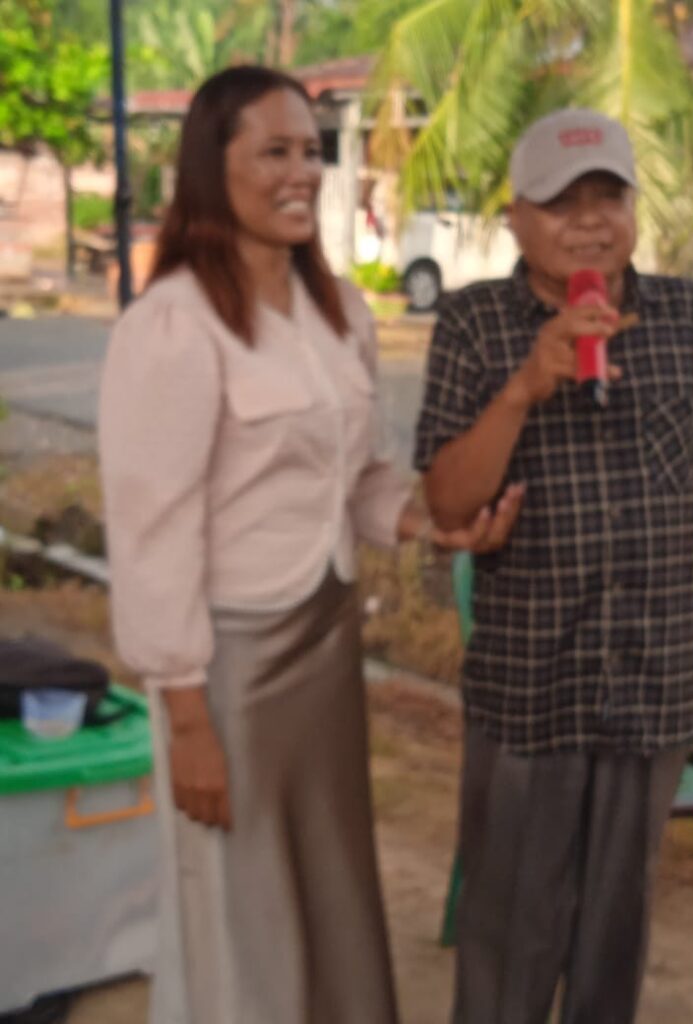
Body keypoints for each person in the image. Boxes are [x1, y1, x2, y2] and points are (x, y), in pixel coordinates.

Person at [98, 65, 522, 1024]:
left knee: (329, 878)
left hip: (325, 641)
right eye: (274, 152)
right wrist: (187, 721)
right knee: (237, 896)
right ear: (213, 167)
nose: (302, 172)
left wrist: (431, 522)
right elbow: (153, 534)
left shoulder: (338, 313)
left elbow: (357, 483)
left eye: (311, 151)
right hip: (227, 666)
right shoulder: (172, 327)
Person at [414, 107, 693, 1024]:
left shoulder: (685, 316)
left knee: (614, 941)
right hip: (532, 690)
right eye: (560, 201)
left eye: (607, 195)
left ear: (634, 208)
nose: (588, 221)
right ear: (514, 218)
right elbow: (446, 504)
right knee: (512, 939)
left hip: (652, 688)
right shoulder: (474, 324)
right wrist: (526, 387)